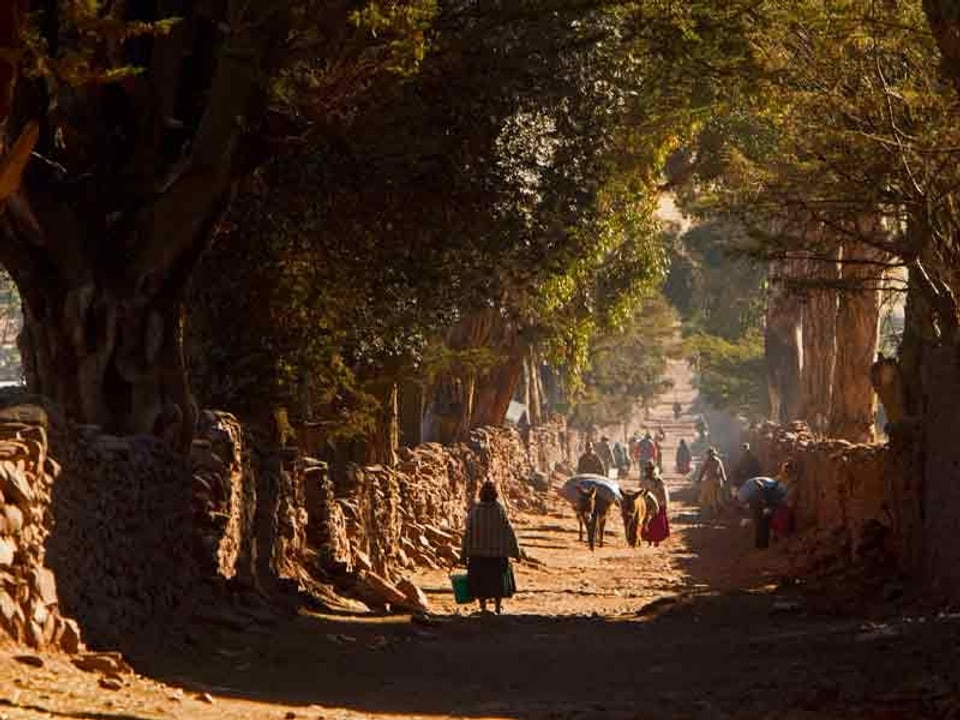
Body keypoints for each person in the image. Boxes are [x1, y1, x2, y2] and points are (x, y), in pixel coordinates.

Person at [461, 481, 521, 614]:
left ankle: (483, 607)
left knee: (480, 580)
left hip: (477, 555)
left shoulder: (475, 511)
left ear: (481, 494)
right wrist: (516, 552)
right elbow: (509, 531)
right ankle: (497, 607)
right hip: (497, 555)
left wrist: (463, 554)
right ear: (495, 494)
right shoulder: (499, 510)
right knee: (497, 581)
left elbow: (467, 534)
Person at [736, 474, 789, 549]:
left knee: (761, 522)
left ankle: (762, 543)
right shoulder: (749, 490)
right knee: (763, 522)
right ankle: (763, 543)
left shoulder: (746, 490)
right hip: (762, 498)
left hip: (762, 498)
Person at [640, 461, 670, 547]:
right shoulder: (644, 480)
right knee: (647, 523)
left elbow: (663, 493)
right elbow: (642, 492)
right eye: (647, 470)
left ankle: (656, 540)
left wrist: (663, 504)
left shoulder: (659, 481)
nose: (648, 472)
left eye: (650, 470)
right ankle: (649, 540)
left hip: (658, 504)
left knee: (657, 524)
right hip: (648, 504)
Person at [695, 447, 727, 518]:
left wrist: (699, 479)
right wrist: (724, 479)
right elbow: (722, 471)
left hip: (711, 481)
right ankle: (716, 512)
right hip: (717, 481)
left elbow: (702, 471)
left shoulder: (708, 461)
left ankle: (714, 512)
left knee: (711, 497)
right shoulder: (718, 461)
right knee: (716, 497)